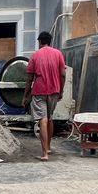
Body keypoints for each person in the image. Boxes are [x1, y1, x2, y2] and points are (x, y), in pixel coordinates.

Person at [23, 31, 66, 161]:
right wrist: (61, 91)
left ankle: (44, 154)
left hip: (39, 91)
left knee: (43, 119)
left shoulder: (35, 56)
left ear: (40, 42)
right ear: (50, 41)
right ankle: (48, 147)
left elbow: (29, 79)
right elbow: (63, 74)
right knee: (50, 118)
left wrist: (25, 96)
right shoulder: (58, 54)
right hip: (54, 91)